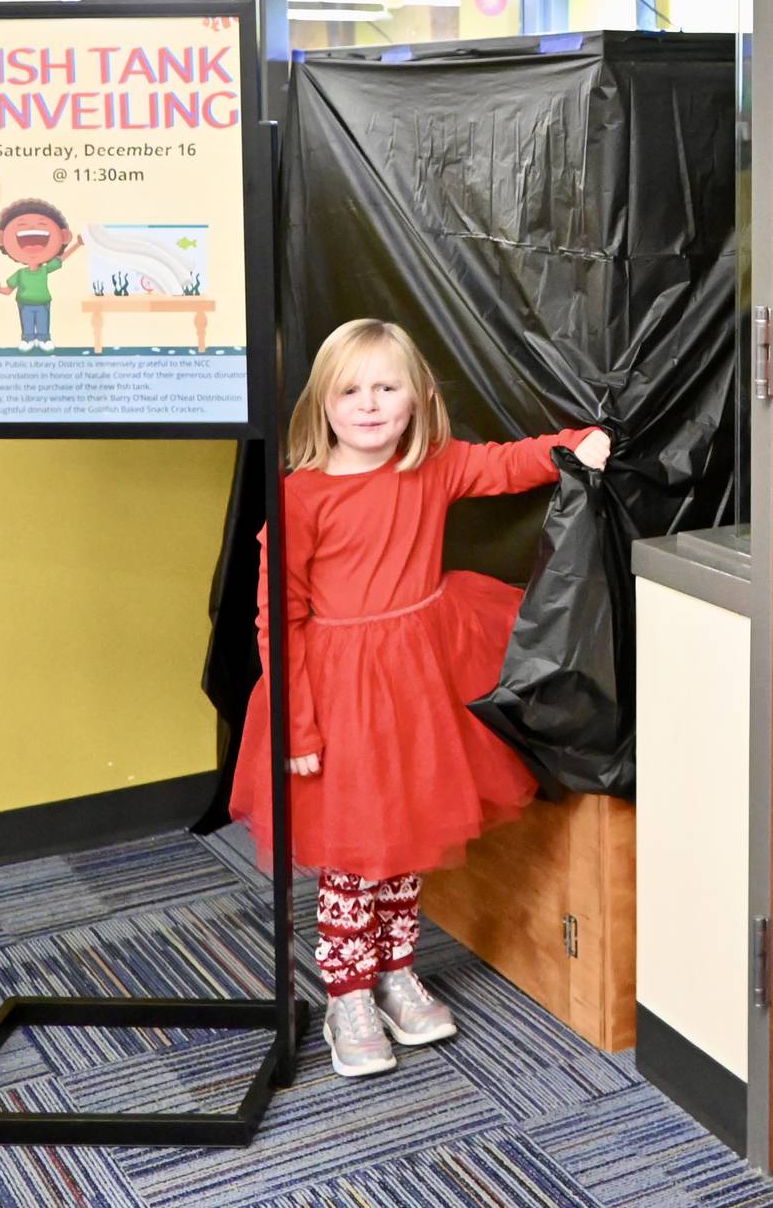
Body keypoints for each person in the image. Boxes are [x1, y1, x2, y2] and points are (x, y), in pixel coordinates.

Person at [228, 319, 611, 1078]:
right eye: (350, 390)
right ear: (323, 402)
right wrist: (295, 724)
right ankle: (347, 994)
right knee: (352, 855)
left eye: (386, 387)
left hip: (419, 684)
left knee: (403, 839)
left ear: (418, 397)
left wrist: (574, 444)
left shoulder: (432, 468)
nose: (368, 405)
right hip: (340, 696)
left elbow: (505, 467)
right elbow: (280, 618)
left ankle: (397, 971)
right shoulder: (303, 496)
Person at [0, 197, 85, 350]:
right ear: (1, 239)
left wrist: (77, 244)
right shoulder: (20, 274)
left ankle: (44, 339)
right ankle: (28, 339)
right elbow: (7, 290)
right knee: (27, 322)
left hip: (43, 303)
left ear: (64, 237)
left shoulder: (44, 270)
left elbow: (61, 258)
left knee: (43, 321)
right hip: (24, 304)